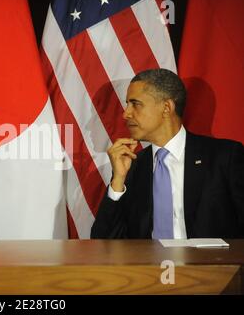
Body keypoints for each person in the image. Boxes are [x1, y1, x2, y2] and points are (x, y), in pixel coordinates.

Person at [91, 68, 244, 239]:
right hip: (148, 265)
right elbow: (103, 241)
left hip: (210, 265)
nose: (126, 113)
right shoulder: (131, 166)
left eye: (135, 104)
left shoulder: (224, 158)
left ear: (166, 108)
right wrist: (118, 181)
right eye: (127, 104)